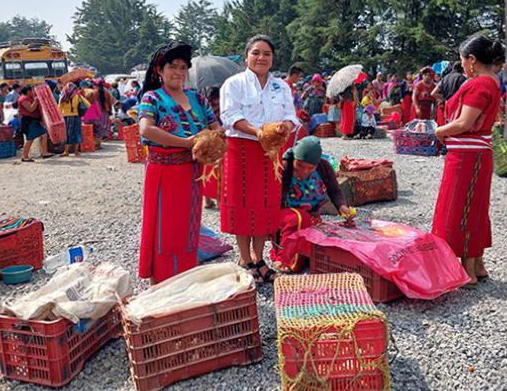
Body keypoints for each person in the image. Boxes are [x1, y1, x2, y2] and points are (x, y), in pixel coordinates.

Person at [139, 41, 220, 284]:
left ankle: (185, 276)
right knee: (166, 229)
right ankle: (163, 281)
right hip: (164, 172)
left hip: (192, 171)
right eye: (173, 66)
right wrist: (186, 143)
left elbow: (215, 126)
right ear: (159, 70)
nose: (178, 72)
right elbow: (146, 130)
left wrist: (213, 139)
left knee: (189, 226)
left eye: (183, 67)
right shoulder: (152, 98)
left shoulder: (198, 99)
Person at [220, 34, 300, 283]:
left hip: (270, 153)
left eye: (266, 53)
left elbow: (291, 116)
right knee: (243, 205)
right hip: (242, 150)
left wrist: (284, 127)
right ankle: (245, 259)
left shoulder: (281, 87)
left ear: (272, 59)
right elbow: (230, 116)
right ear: (246, 57)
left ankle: (260, 257)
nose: (261, 58)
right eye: (256, 53)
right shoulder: (233, 84)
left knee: (265, 205)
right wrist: (257, 132)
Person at [432, 34, 503, 287]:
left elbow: (464, 123)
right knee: (474, 208)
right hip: (477, 154)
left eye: (463, 60)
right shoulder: (492, 82)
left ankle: (465, 271)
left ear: (472, 59)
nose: (461, 65)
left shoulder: (479, 84)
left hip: (466, 156)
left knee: (457, 210)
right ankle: (476, 265)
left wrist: (439, 131)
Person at [270, 136, 350, 273]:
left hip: (310, 215)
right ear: (294, 158)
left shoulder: (324, 167)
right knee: (299, 218)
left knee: (323, 240)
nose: (305, 171)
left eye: (310, 168)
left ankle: (301, 256)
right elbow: (271, 198)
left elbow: (335, 191)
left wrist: (343, 208)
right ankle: (283, 258)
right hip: (284, 214)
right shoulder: (284, 167)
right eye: (300, 165)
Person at [18, 85, 53, 162]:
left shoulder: (30, 98)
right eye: (31, 90)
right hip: (29, 121)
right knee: (30, 139)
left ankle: (44, 152)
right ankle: (25, 156)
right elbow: (31, 109)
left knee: (44, 134)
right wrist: (36, 100)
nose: (33, 92)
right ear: (28, 91)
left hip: (35, 121)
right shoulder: (23, 99)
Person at [58, 82, 90, 157]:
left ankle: (66, 152)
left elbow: (59, 108)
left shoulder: (63, 96)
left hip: (66, 117)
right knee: (77, 133)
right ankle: (76, 151)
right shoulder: (77, 95)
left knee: (66, 135)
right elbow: (88, 105)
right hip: (76, 117)